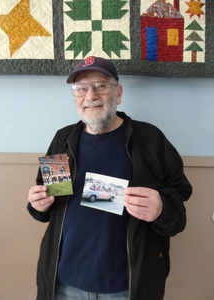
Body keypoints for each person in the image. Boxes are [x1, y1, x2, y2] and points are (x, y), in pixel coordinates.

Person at [27, 56, 192, 300]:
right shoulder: (63, 139)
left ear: (118, 92)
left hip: (129, 286)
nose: (90, 96)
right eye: (81, 88)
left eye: (101, 86)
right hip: (62, 284)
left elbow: (179, 198)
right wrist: (37, 205)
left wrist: (161, 208)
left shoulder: (149, 139)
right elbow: (49, 199)